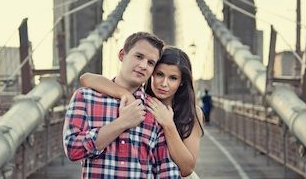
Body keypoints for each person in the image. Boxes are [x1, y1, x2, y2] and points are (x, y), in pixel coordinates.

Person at [63, 32, 180, 178]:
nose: (143, 65)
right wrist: (122, 123)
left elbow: (166, 170)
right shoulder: (86, 97)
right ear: (122, 55)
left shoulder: (155, 109)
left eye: (151, 63)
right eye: (138, 56)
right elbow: (73, 149)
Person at [80, 46, 204, 178]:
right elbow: (86, 78)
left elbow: (187, 168)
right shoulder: (138, 101)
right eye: (159, 74)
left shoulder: (192, 112)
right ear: (151, 73)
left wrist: (168, 124)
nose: (164, 83)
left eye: (173, 78)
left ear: (181, 82)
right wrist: (125, 94)